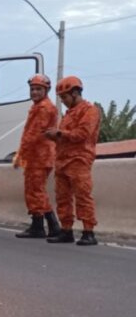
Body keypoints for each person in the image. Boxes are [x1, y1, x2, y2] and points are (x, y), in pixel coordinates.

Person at [44, 76, 100, 246]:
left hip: (79, 159)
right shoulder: (68, 115)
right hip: (62, 161)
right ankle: (66, 230)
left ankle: (88, 232)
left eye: (65, 97)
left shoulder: (90, 111)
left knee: (82, 196)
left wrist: (59, 134)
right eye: (61, 98)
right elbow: (66, 138)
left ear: (75, 93)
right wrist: (53, 136)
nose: (64, 102)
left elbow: (82, 134)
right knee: (63, 197)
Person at [13, 74, 61, 238]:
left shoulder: (43, 108)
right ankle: (41, 225)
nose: (34, 92)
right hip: (38, 155)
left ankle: (46, 226)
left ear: (46, 90)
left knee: (36, 191)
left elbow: (33, 135)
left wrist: (20, 154)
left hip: (39, 156)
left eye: (38, 89)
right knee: (35, 190)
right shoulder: (40, 107)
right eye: (32, 89)